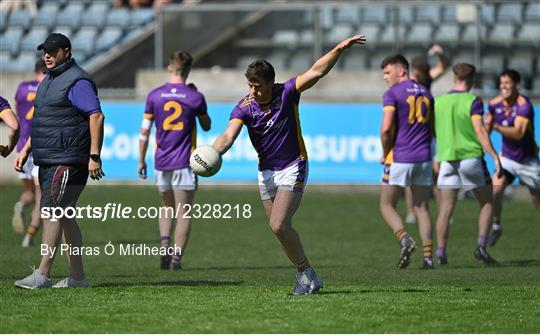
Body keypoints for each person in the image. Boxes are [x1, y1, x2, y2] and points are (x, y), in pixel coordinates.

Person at [212, 34, 366, 295]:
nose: (252, 91)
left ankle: (308, 274)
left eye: (258, 86)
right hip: (267, 172)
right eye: (249, 85)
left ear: (272, 82)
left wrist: (339, 49)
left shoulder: (287, 92)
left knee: (278, 225)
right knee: (279, 230)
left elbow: (317, 71)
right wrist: (214, 153)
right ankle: (305, 274)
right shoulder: (245, 107)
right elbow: (228, 135)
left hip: (294, 165)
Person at [13, 33, 105, 289]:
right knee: (64, 215)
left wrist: (94, 155)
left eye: (53, 51)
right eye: (45, 51)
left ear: (66, 51)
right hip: (48, 157)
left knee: (52, 212)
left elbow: (96, 117)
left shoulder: (78, 81)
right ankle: (78, 278)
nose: (47, 56)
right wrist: (25, 149)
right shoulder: (47, 81)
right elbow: (42, 121)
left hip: (67, 158)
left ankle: (42, 273)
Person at [138, 50, 211, 270]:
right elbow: (207, 125)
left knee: (166, 206)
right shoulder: (194, 97)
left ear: (170, 67)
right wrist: (199, 105)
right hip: (185, 164)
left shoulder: (155, 95)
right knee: (184, 212)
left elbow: (144, 133)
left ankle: (164, 246)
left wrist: (141, 161)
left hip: (161, 162)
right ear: (188, 70)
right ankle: (176, 259)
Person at [434, 63, 502, 265]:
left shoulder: (440, 101)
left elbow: (434, 130)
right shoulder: (473, 101)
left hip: (447, 159)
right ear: (472, 79)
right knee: (488, 202)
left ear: (454, 78)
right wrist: (494, 155)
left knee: (445, 209)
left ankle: (441, 253)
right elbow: (480, 131)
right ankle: (481, 247)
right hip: (471, 158)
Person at [379, 54, 435, 269]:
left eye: (387, 72)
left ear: (401, 71)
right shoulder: (427, 93)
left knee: (386, 205)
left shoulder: (392, 94)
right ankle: (428, 257)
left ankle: (405, 239)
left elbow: (386, 129)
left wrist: (385, 153)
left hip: (400, 157)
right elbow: (432, 130)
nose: (385, 77)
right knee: (422, 208)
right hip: (423, 158)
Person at [485, 69, 539, 246]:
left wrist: (497, 127)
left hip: (528, 161)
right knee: (496, 190)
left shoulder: (524, 105)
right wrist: (485, 128)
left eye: (507, 83)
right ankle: (497, 225)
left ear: (517, 85)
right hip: (507, 158)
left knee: (537, 202)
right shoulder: (494, 104)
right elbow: (486, 129)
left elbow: (518, 134)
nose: (503, 87)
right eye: (501, 83)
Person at [404, 44, 448, 225]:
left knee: (437, 173)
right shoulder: (406, 85)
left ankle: (443, 212)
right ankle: (411, 211)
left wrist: (440, 53)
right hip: (412, 134)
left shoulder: (427, 79)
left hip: (429, 133)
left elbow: (442, 67)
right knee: (410, 176)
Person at [11, 60, 47, 246]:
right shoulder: (48, 88)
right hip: (39, 145)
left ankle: (22, 205)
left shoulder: (22, 87)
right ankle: (29, 237)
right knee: (42, 196)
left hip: (22, 146)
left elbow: (18, 112)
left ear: (34, 71)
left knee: (29, 193)